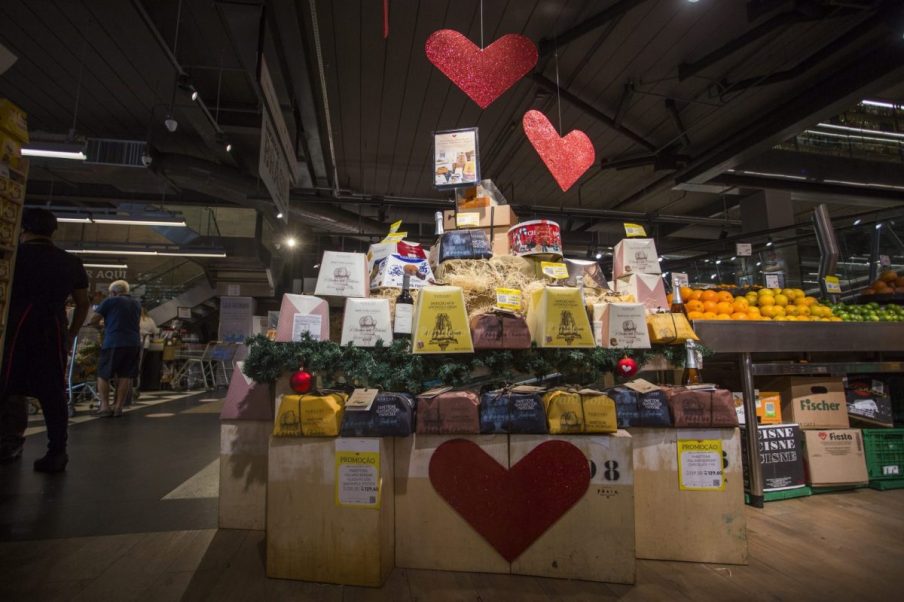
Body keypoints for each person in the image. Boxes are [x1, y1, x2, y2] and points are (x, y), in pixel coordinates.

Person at [0, 208, 90, 472]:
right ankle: (57, 450)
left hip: (14, 327)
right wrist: (71, 332)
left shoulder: (15, 257)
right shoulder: (70, 262)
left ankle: (9, 441)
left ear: (23, 229)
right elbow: (83, 303)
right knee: (53, 393)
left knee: (7, 386)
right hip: (52, 327)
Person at [90, 280, 141, 418]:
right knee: (125, 375)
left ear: (113, 292)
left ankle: (105, 407)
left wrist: (100, 327)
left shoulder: (110, 301)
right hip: (133, 343)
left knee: (103, 374)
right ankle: (118, 407)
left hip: (113, 342)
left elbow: (94, 319)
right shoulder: (136, 303)